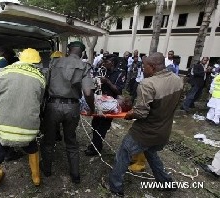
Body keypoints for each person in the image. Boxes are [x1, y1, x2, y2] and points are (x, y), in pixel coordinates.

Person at [107, 52, 183, 197]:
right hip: (164, 131)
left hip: (145, 132)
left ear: (153, 67)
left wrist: (128, 115)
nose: (143, 68)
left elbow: (141, 113)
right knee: (151, 153)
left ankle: (115, 187)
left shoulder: (147, 84)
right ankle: (166, 183)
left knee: (123, 153)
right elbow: (177, 103)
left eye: (144, 66)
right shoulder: (177, 80)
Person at [0, 48, 45, 191]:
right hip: (28, 130)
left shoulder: (3, 72)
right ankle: (36, 178)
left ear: (20, 59)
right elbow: (39, 102)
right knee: (32, 148)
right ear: (37, 63)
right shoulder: (41, 78)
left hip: (2, 129)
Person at [40, 41, 95, 184]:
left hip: (53, 106)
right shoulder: (84, 66)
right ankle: (75, 175)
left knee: (48, 140)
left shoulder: (54, 63)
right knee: (71, 141)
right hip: (72, 107)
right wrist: (92, 109)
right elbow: (88, 92)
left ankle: (47, 170)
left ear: (68, 50)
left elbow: (44, 85)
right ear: (82, 53)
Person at [84, 54, 126, 156]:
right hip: (100, 101)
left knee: (102, 127)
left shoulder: (120, 73)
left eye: (106, 62)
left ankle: (95, 148)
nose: (104, 63)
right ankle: (96, 144)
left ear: (112, 63)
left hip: (111, 105)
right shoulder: (103, 71)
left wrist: (107, 81)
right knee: (95, 124)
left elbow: (118, 90)